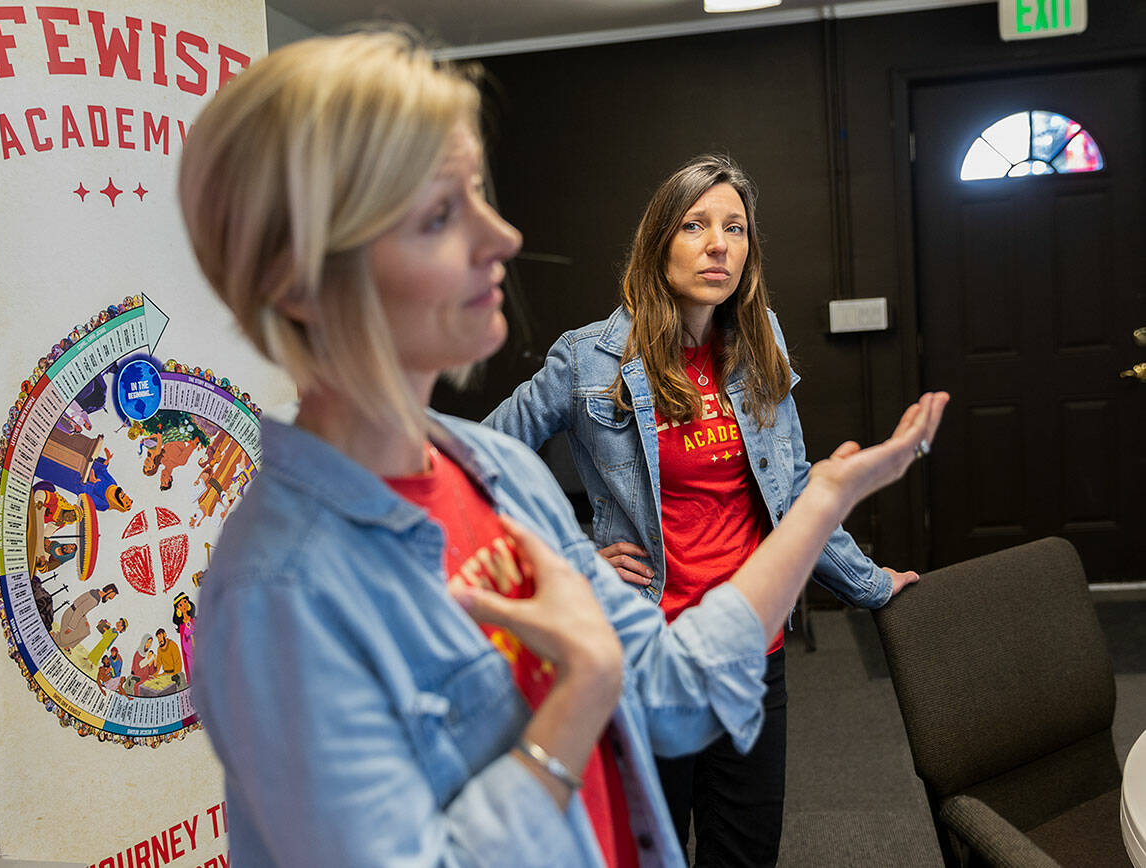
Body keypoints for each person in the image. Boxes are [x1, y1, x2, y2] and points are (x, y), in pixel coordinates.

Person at [180, 28, 947, 866]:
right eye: (440, 213)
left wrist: (826, 499)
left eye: (478, 194)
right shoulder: (280, 590)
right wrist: (580, 692)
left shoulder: (496, 475)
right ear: (301, 277)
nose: (502, 236)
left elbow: (672, 688)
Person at [484, 154, 919, 865]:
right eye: (695, 225)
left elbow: (795, 490)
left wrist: (873, 585)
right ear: (659, 242)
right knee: (652, 852)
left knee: (745, 852)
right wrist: (570, 559)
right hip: (646, 656)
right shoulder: (586, 360)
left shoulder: (760, 340)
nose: (720, 244)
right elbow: (478, 462)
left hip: (752, 648)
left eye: (736, 228)